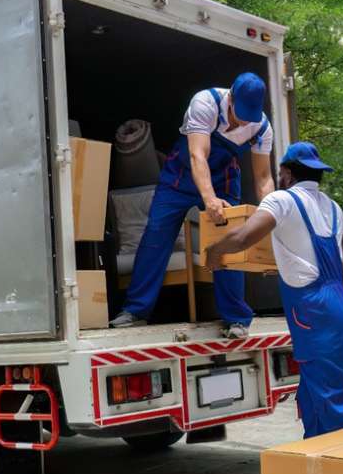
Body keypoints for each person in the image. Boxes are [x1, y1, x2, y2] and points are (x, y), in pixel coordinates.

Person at [204, 142, 343, 438]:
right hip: (342, 304)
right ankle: (320, 466)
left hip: (315, 310)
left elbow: (243, 238)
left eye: (280, 174)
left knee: (334, 402)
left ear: (288, 174)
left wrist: (214, 251)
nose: (278, 179)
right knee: (313, 394)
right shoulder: (332, 207)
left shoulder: (282, 200)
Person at [110, 73, 275, 338]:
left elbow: (264, 178)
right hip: (181, 176)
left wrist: (271, 214)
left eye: (248, 117)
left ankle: (236, 318)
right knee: (156, 234)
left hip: (224, 179)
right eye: (239, 114)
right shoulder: (205, 103)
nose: (242, 121)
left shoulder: (262, 127)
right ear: (230, 98)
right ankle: (136, 311)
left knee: (231, 241)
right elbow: (199, 155)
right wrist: (209, 200)